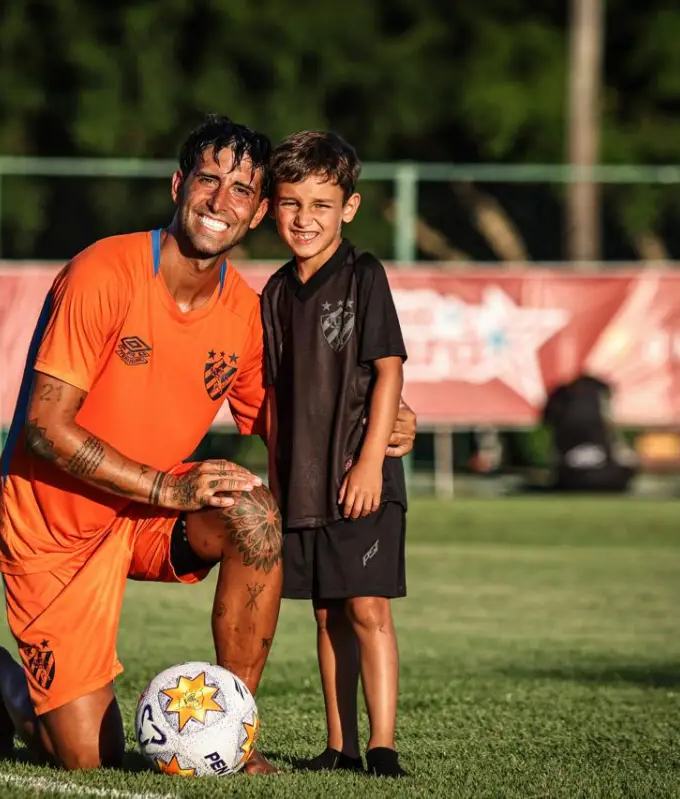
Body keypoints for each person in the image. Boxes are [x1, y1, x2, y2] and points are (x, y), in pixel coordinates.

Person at [0, 115, 419, 774]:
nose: (219, 201)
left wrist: (393, 420)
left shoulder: (243, 311)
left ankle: (230, 733)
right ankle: (4, 682)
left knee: (256, 513)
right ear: (180, 185)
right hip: (55, 528)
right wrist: (165, 487)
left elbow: (291, 419)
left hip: (146, 516)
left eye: (240, 189)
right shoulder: (103, 271)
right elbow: (44, 425)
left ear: (258, 211)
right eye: (208, 179)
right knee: (92, 758)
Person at [260, 131, 410, 778]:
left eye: (321, 204)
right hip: (303, 482)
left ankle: (382, 746)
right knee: (327, 612)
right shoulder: (271, 293)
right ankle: (340, 744)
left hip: (360, 474)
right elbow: (269, 396)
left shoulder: (364, 275)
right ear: (271, 207)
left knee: (367, 605)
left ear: (348, 207)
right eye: (291, 203)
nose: (305, 218)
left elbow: (389, 371)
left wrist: (372, 460)